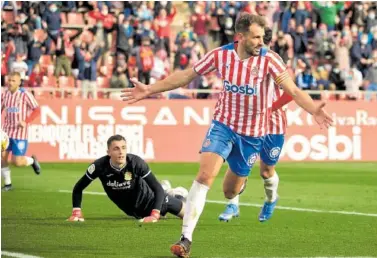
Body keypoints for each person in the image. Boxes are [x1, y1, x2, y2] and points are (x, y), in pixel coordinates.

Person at [121, 14, 333, 258]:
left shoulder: (270, 60)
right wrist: (150, 89)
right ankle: (185, 239)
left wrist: (313, 108)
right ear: (240, 37)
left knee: (229, 192)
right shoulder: (220, 55)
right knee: (204, 176)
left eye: (263, 37)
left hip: (252, 136)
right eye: (255, 37)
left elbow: (293, 90)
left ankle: (238, 189)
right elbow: (187, 75)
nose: (261, 42)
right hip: (223, 125)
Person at [218, 27, 294, 222]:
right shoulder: (243, 60)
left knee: (266, 171)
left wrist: (270, 108)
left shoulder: (275, 61)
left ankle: (271, 199)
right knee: (237, 164)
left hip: (273, 123)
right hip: (249, 121)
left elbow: (289, 93)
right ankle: (232, 204)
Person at [67, 135, 186, 223]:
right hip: (134, 211)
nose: (121, 152)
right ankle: (170, 192)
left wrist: (155, 214)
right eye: (116, 149)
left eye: (123, 148)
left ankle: (177, 194)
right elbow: (78, 188)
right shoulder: (99, 167)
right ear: (108, 152)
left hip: (151, 200)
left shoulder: (136, 163)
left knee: (188, 215)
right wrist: (76, 212)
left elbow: (157, 189)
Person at [1, 72, 41, 191]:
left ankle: (33, 161)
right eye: (9, 80)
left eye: (13, 81)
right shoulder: (5, 95)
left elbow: (37, 110)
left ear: (19, 82)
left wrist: (26, 121)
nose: (10, 83)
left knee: (17, 162)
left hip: (20, 134)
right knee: (2, 158)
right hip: (6, 133)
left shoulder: (25, 95)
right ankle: (8, 184)